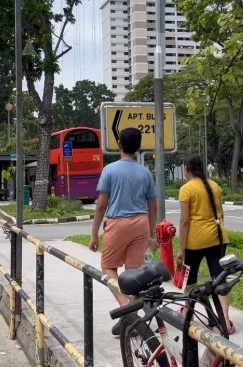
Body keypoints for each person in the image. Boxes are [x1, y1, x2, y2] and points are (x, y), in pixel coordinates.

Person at [90, 128, 158, 336]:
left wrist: (94, 234)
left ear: (120, 145)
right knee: (133, 271)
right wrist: (151, 235)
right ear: (138, 147)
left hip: (118, 222)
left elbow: (102, 205)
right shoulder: (145, 172)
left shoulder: (110, 170)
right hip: (141, 223)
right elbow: (153, 206)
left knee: (108, 267)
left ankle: (126, 309)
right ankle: (129, 316)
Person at [177, 155, 234, 334]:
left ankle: (188, 312)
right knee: (219, 279)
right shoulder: (215, 186)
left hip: (195, 240)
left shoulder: (186, 189)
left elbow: (185, 221)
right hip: (217, 238)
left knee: (190, 279)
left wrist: (181, 248)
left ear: (188, 169)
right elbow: (221, 213)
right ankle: (225, 319)